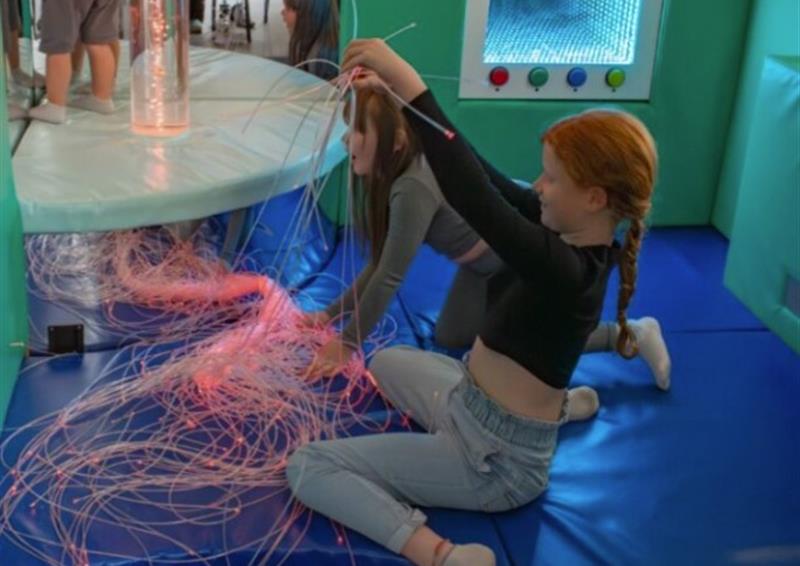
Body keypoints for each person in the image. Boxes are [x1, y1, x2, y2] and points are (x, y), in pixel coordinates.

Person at [287, 39, 660, 566]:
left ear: (595, 198)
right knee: (386, 361)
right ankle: (560, 408)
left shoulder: (564, 268)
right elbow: (482, 172)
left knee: (309, 466)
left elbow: (472, 194)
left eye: (551, 177)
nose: (538, 186)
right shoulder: (567, 238)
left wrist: (410, 81)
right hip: (472, 403)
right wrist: (405, 103)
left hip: (495, 461)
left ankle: (440, 554)